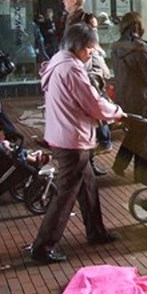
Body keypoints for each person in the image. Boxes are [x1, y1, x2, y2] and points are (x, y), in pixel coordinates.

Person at [29, 24, 125, 264]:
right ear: (79, 46)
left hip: (64, 134)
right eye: (90, 49)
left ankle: (96, 231)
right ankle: (44, 246)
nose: (91, 53)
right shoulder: (72, 69)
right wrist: (116, 112)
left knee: (87, 184)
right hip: (72, 139)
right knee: (66, 195)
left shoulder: (57, 62)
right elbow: (92, 103)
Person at [110, 12, 147, 180]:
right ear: (138, 27)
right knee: (142, 135)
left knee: (134, 132)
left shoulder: (115, 47)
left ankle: (120, 165)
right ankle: (140, 174)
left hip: (123, 97)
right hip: (141, 97)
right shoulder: (142, 49)